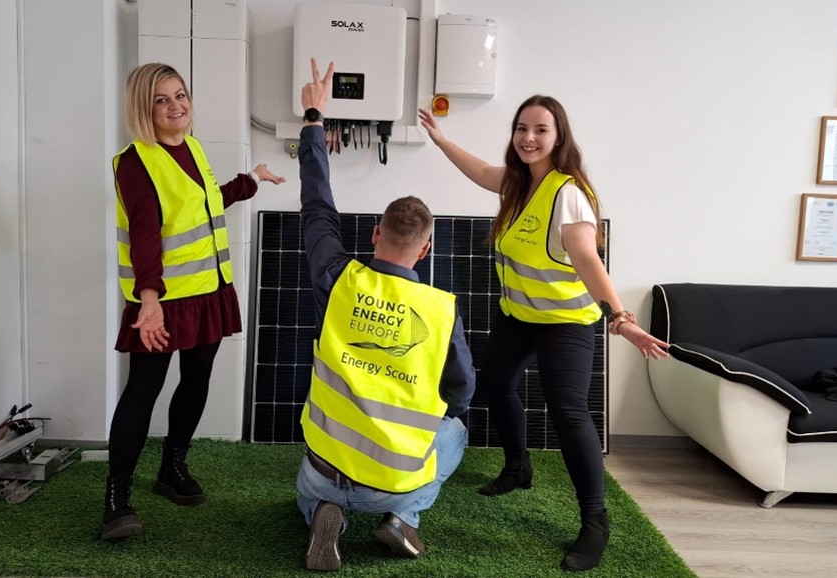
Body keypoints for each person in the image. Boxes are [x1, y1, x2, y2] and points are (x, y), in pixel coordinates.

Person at [418, 97, 669, 571]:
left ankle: (595, 520)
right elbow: (482, 172)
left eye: (540, 129)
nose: (528, 138)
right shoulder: (518, 183)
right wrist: (441, 139)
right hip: (519, 316)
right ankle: (518, 467)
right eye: (521, 128)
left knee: (569, 413)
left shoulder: (567, 193)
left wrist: (620, 318)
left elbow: (587, 258)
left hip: (565, 322)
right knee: (495, 383)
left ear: (559, 137)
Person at [296, 59, 476, 572]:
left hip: (323, 469)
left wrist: (314, 119)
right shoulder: (441, 310)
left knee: (310, 489)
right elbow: (461, 391)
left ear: (376, 233)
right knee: (455, 432)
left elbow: (317, 207)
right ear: (426, 250)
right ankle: (403, 516)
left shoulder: (338, 278)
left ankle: (324, 515)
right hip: (393, 481)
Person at [103, 62, 285, 541]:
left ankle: (173, 468)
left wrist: (251, 180)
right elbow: (144, 235)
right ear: (143, 109)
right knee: (142, 391)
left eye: (180, 95)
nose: (175, 106)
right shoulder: (135, 162)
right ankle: (117, 499)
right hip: (162, 301)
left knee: (197, 379)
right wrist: (149, 300)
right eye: (161, 100)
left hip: (208, 291)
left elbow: (206, 202)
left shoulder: (193, 146)